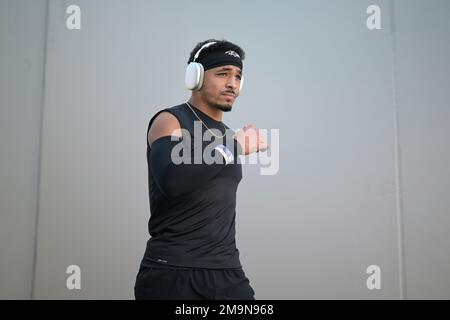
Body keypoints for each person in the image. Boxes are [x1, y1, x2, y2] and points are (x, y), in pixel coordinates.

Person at [134, 39, 268, 300]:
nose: (233, 83)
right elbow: (173, 180)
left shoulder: (228, 137)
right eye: (222, 74)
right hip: (172, 273)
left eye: (238, 76)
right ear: (195, 77)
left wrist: (231, 144)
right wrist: (234, 146)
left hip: (227, 274)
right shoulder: (170, 121)